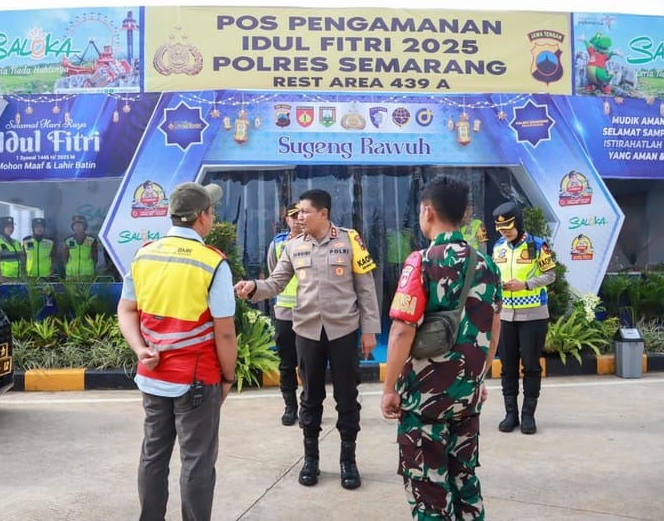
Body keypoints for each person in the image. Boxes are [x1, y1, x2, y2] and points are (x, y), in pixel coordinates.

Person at [235, 189, 381, 490]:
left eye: (304, 212)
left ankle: (347, 461)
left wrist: (369, 331)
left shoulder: (350, 240)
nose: (299, 217)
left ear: (323, 214)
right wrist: (253, 287)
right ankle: (310, 459)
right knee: (310, 397)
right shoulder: (292, 246)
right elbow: (276, 282)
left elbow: (365, 288)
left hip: (343, 331)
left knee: (347, 397)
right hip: (307, 331)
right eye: (298, 212)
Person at [380, 175, 502, 520]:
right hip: (468, 397)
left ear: (427, 211)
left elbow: (402, 331)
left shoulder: (420, 261)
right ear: (465, 214)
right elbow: (494, 330)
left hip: (423, 400)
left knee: (428, 487)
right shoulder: (487, 264)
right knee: (465, 480)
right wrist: (477, 380)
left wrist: (389, 388)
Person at [117, 182, 238, 521]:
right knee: (197, 461)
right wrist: (228, 376)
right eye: (212, 211)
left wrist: (141, 349)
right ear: (202, 217)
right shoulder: (212, 263)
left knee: (153, 455)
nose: (213, 217)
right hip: (197, 381)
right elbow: (225, 332)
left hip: (153, 377)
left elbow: (126, 310)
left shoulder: (144, 255)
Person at [491, 201, 556, 435]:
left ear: (518, 222)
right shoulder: (498, 247)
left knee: (530, 365)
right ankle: (511, 414)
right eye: (501, 229)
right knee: (507, 366)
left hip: (533, 314)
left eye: (508, 228)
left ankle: (529, 414)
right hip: (506, 315)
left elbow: (550, 275)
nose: (505, 233)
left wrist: (526, 284)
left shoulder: (537, 245)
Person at [266, 202, 302, 426]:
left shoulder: (316, 241)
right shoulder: (278, 243)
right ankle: (290, 406)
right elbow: (273, 276)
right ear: (286, 219)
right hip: (285, 312)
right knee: (287, 364)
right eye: (293, 216)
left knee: (310, 364)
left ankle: (309, 405)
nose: (298, 219)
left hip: (311, 313)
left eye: (301, 214)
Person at [62, 215, 98, 279]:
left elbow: (95, 258)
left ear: (84, 226)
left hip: (87, 274)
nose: (77, 227)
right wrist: (67, 266)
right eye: (75, 225)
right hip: (71, 274)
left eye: (80, 225)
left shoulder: (91, 240)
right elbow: (65, 257)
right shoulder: (69, 240)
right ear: (73, 227)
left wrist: (91, 267)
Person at [0, 216, 24, 281]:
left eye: (12, 226)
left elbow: (22, 261)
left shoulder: (17, 242)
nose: (11, 229)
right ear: (1, 228)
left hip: (18, 279)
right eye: (7, 227)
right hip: (3, 280)